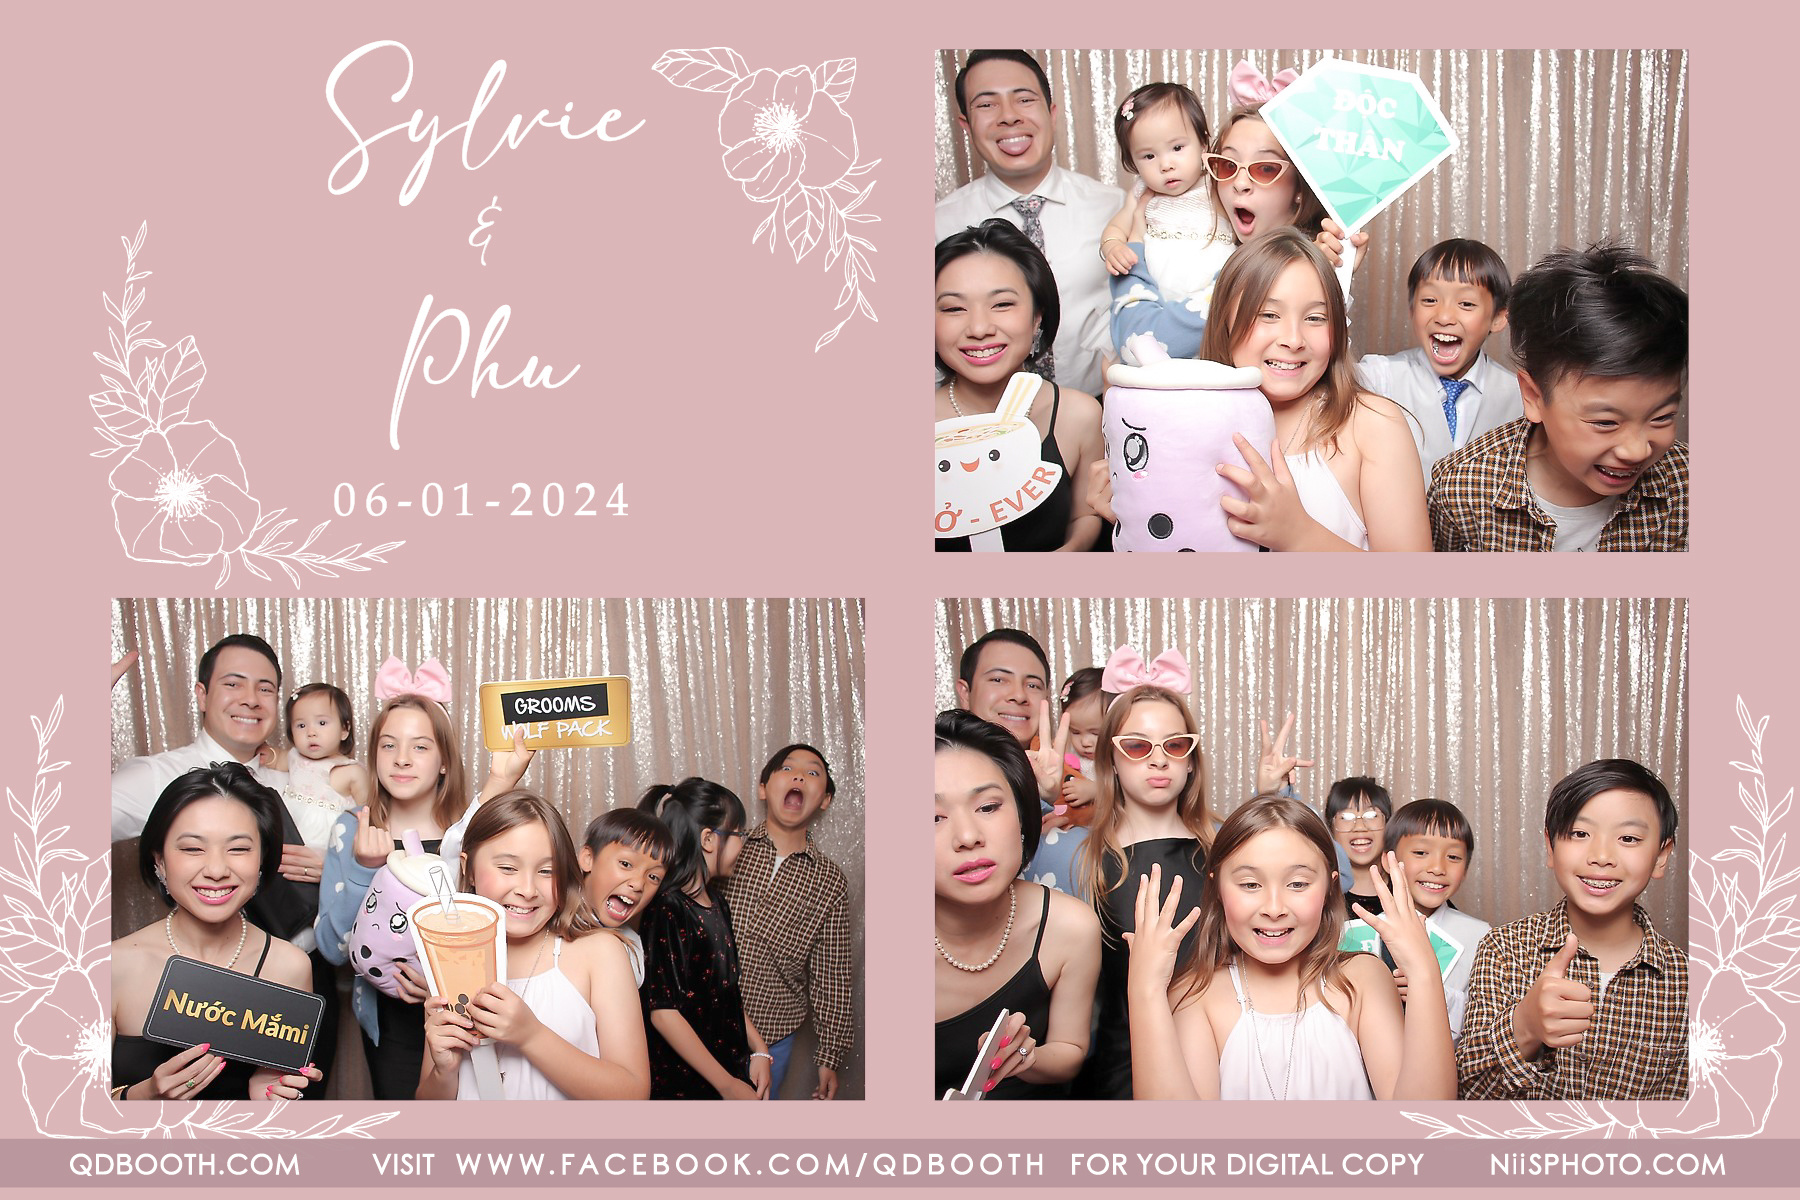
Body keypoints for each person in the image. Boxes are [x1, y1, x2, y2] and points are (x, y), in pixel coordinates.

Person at [112, 634, 337, 1092]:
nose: (250, 699)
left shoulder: (302, 778)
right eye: (233, 683)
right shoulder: (155, 777)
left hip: (291, 977)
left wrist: (337, 869)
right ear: (201, 694)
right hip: (172, 966)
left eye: (265, 688)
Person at [1127, 795, 1456, 1100]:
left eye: (1298, 884)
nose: (1274, 908)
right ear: (1218, 890)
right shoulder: (1196, 996)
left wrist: (1424, 973)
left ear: (1329, 888)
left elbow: (1422, 1126)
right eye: (1250, 884)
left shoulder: (1364, 979)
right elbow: (1177, 1137)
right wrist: (1145, 991)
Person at [314, 664, 531, 1101]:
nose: (402, 758)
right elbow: (332, 949)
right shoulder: (351, 828)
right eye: (388, 744)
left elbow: (505, 925)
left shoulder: (472, 832)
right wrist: (361, 869)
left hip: (473, 1013)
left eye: (420, 746)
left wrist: (441, 980)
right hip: (391, 1024)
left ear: (444, 760)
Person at [1428, 243, 1688, 551]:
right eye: (1605, 422)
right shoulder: (1462, 489)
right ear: (1534, 397)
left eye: (1662, 418)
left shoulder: (1685, 485)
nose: (1636, 450)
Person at [1456, 760, 1687, 1099]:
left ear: (1661, 855)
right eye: (1580, 834)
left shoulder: (1689, 982)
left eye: (1628, 838)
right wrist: (1525, 1027)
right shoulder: (1504, 948)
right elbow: (1468, 1096)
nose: (1601, 856)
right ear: (1550, 846)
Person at [1203, 229, 1431, 551]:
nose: (1293, 340)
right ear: (1224, 320)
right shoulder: (1189, 420)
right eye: (1269, 315)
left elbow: (1412, 580)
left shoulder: (1373, 425)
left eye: (1315, 318)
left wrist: (1298, 534)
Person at [109, 763, 324, 1101]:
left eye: (238, 849)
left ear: (262, 860)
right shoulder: (111, 966)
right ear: (159, 860)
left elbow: (278, 1107)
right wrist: (143, 1098)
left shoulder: (290, 967)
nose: (216, 869)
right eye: (193, 848)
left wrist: (269, 1099)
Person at [418, 790, 650, 1100]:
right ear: (468, 869)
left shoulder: (601, 954)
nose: (528, 890)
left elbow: (633, 1094)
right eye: (508, 868)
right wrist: (443, 1071)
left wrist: (531, 1036)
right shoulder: (447, 959)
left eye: (546, 871)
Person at [936, 50, 1124, 396]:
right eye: (987, 104)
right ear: (965, 124)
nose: (1009, 116)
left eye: (1024, 99)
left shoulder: (1116, 207)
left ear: (1051, 113)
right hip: (982, 414)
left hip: (1098, 405)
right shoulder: (937, 223)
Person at [934, 709, 1101, 1099]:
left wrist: (1026, 1057)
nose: (968, 836)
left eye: (988, 807)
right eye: (933, 817)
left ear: (1024, 816)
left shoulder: (1071, 927)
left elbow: (1070, 1050)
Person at [1072, 680, 1220, 1098]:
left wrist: (1274, 795)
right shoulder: (1081, 861)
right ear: (1111, 762)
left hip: (1219, 1061)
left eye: (1175, 745)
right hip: (1125, 1069)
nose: (1158, 760)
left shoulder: (1224, 849)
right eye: (1137, 746)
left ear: (1190, 762)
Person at [935, 220, 1104, 552]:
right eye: (954, 308)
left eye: (1002, 304)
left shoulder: (1080, 414)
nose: (979, 328)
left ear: (1037, 316)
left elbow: (1085, 515)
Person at [724, 744, 854, 1099]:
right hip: (701, 1019)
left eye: (812, 773)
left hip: (772, 1035)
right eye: (787, 768)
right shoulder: (725, 848)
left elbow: (832, 973)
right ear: (763, 788)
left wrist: (830, 1056)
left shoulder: (829, 882)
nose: (798, 776)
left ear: (825, 800)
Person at [636, 778, 771, 1099]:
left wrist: (759, 1049)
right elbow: (664, 1013)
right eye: (739, 834)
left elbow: (725, 993)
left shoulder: (717, 903)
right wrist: (726, 1084)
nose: (743, 845)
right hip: (686, 1087)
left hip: (727, 1072)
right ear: (708, 839)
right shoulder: (667, 908)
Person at [1354, 239, 1521, 476]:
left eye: (1466, 303)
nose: (1443, 317)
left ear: (1498, 318)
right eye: (1430, 300)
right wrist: (1337, 274)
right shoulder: (1382, 377)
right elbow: (1325, 380)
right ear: (1412, 309)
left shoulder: (1520, 396)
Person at [1098, 82, 1233, 361]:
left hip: (1211, 302)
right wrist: (1113, 247)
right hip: (1157, 300)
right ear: (1133, 162)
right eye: (1149, 156)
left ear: (1203, 143)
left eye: (1177, 147)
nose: (1166, 164)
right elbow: (1116, 227)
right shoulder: (1141, 193)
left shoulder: (1216, 184)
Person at [1375, 799, 1490, 1041]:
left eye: (1454, 857)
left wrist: (1432, 993)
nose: (1437, 868)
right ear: (1388, 860)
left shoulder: (1481, 936)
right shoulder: (1357, 934)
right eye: (1420, 853)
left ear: (1466, 869)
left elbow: (1488, 1023)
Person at [261, 683, 371, 853]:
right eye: (301, 725)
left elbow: (368, 812)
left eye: (322, 722)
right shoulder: (294, 757)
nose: (311, 732)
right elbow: (276, 759)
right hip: (288, 833)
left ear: (344, 729)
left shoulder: (352, 771)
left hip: (328, 845)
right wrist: (267, 755)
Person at [578, 807, 674, 987]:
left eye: (653, 877)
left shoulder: (632, 948)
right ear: (588, 859)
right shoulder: (547, 923)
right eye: (626, 864)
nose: (638, 884)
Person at [1326, 776, 1393, 918]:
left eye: (1372, 815)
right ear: (1330, 828)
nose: (1360, 827)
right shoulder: (1323, 893)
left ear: (1388, 824)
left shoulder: (1407, 889)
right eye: (1346, 817)